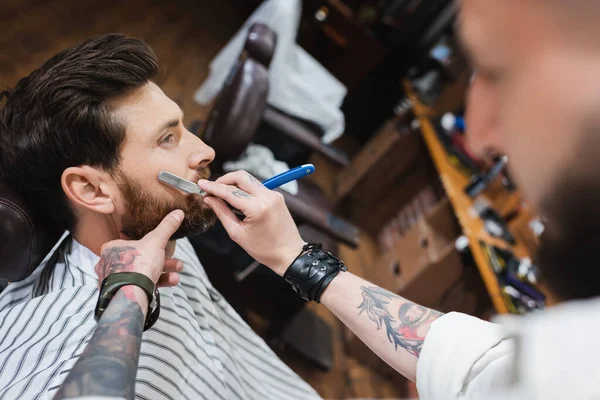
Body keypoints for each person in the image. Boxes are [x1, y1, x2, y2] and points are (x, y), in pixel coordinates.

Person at [195, 0, 600, 398]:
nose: (476, 136)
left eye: (499, 71)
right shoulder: (568, 353)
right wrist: (296, 257)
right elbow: (470, 366)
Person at [0, 34, 319, 399]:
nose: (207, 151)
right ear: (91, 189)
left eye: (182, 128)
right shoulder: (62, 350)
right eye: (167, 138)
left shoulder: (158, 223)